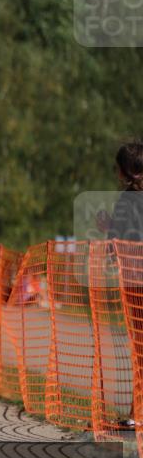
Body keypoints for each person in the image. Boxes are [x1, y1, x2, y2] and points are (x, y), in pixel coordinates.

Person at [99, 139, 143, 428]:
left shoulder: (128, 199)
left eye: (117, 168)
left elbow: (117, 240)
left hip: (136, 280)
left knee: (139, 348)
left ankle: (137, 413)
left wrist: (106, 228)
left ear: (127, 172)